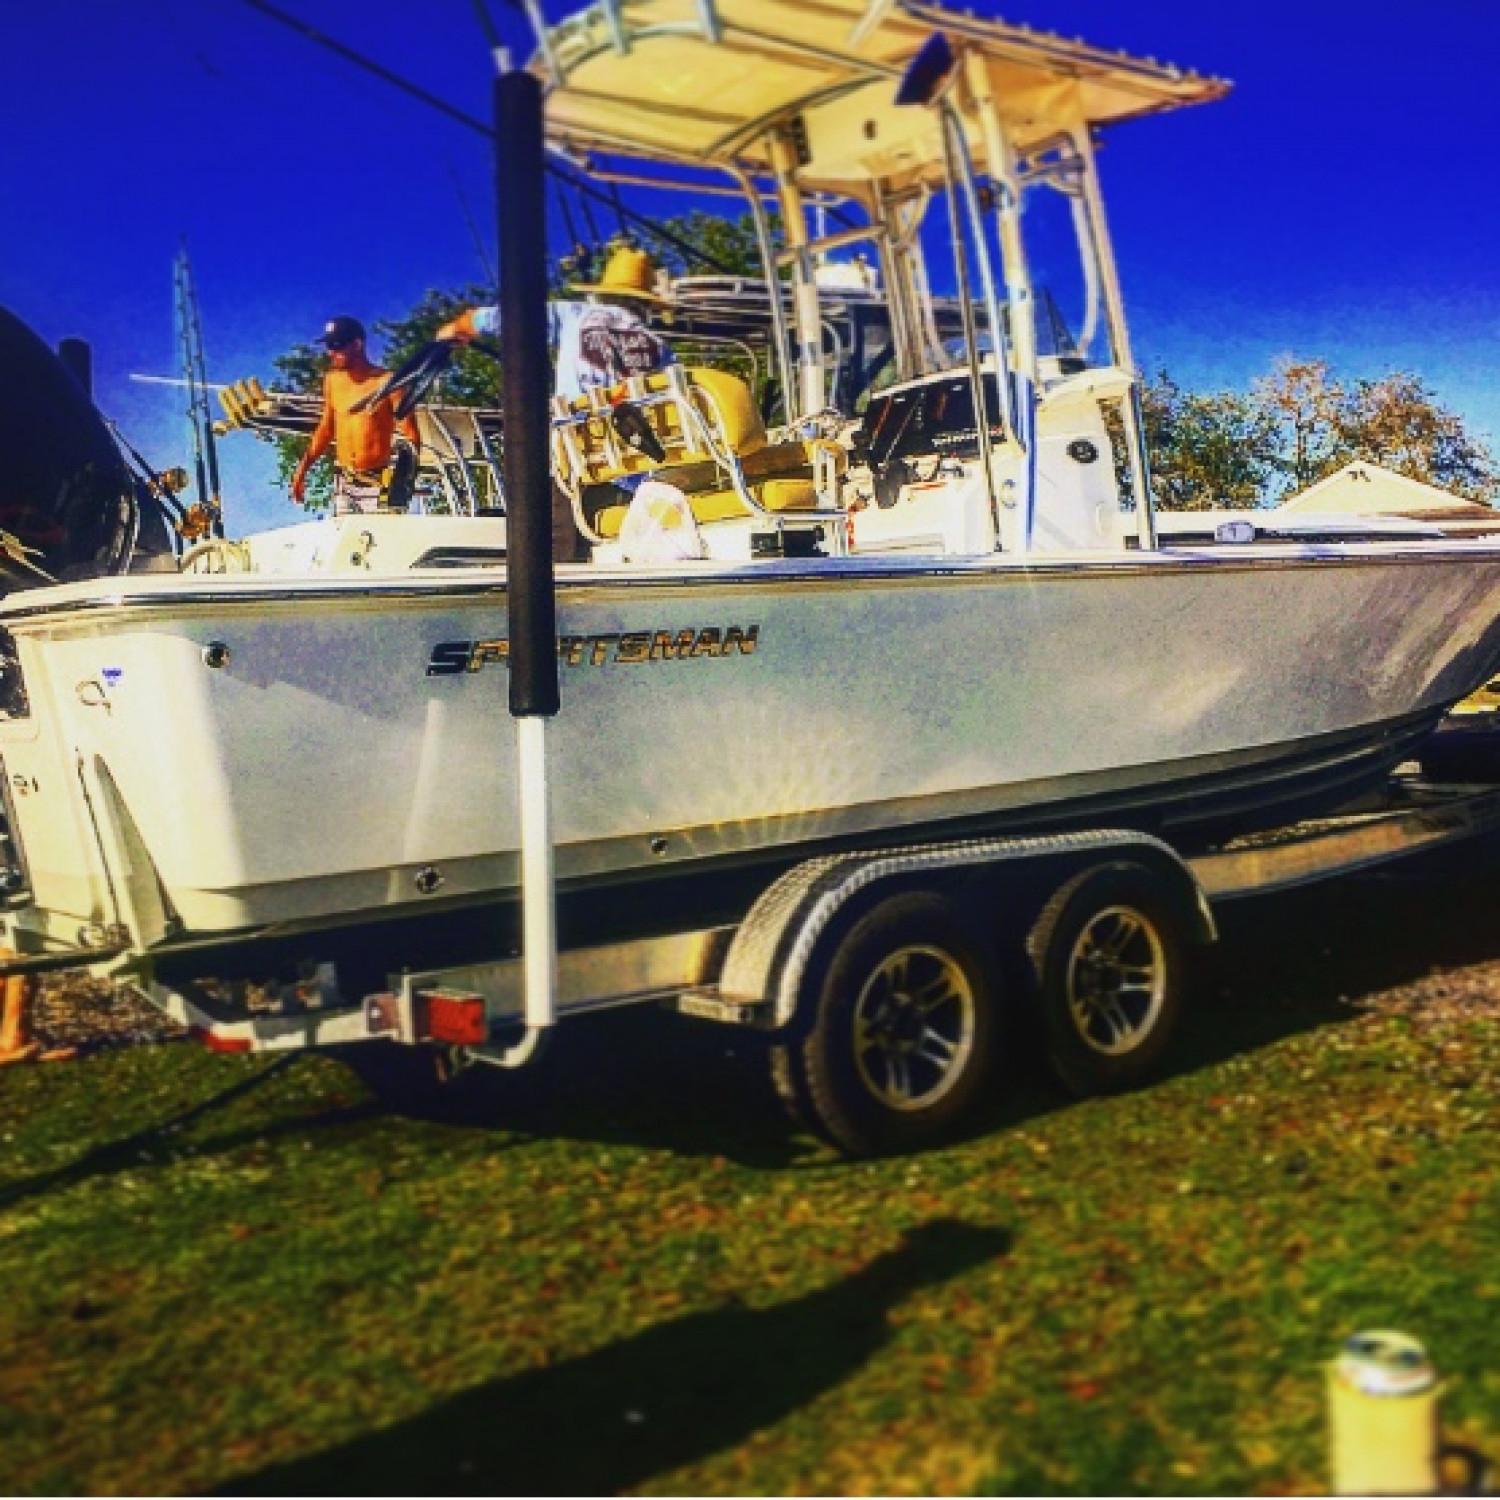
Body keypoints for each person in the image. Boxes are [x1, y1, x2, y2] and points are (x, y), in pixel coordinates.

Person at [437, 246, 677, 559]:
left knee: (553, 567)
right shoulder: (660, 348)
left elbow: (515, 318)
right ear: (645, 303)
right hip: (632, 472)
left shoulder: (573, 315)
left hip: (574, 459)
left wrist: (464, 325)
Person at [291, 316, 420, 515]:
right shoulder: (332, 380)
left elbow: (411, 436)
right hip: (345, 483)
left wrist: (403, 482)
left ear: (357, 345)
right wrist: (302, 470)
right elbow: (326, 429)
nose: (331, 352)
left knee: (380, 542)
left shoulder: (388, 383)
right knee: (348, 543)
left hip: (379, 483)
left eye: (337, 345)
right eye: (328, 346)